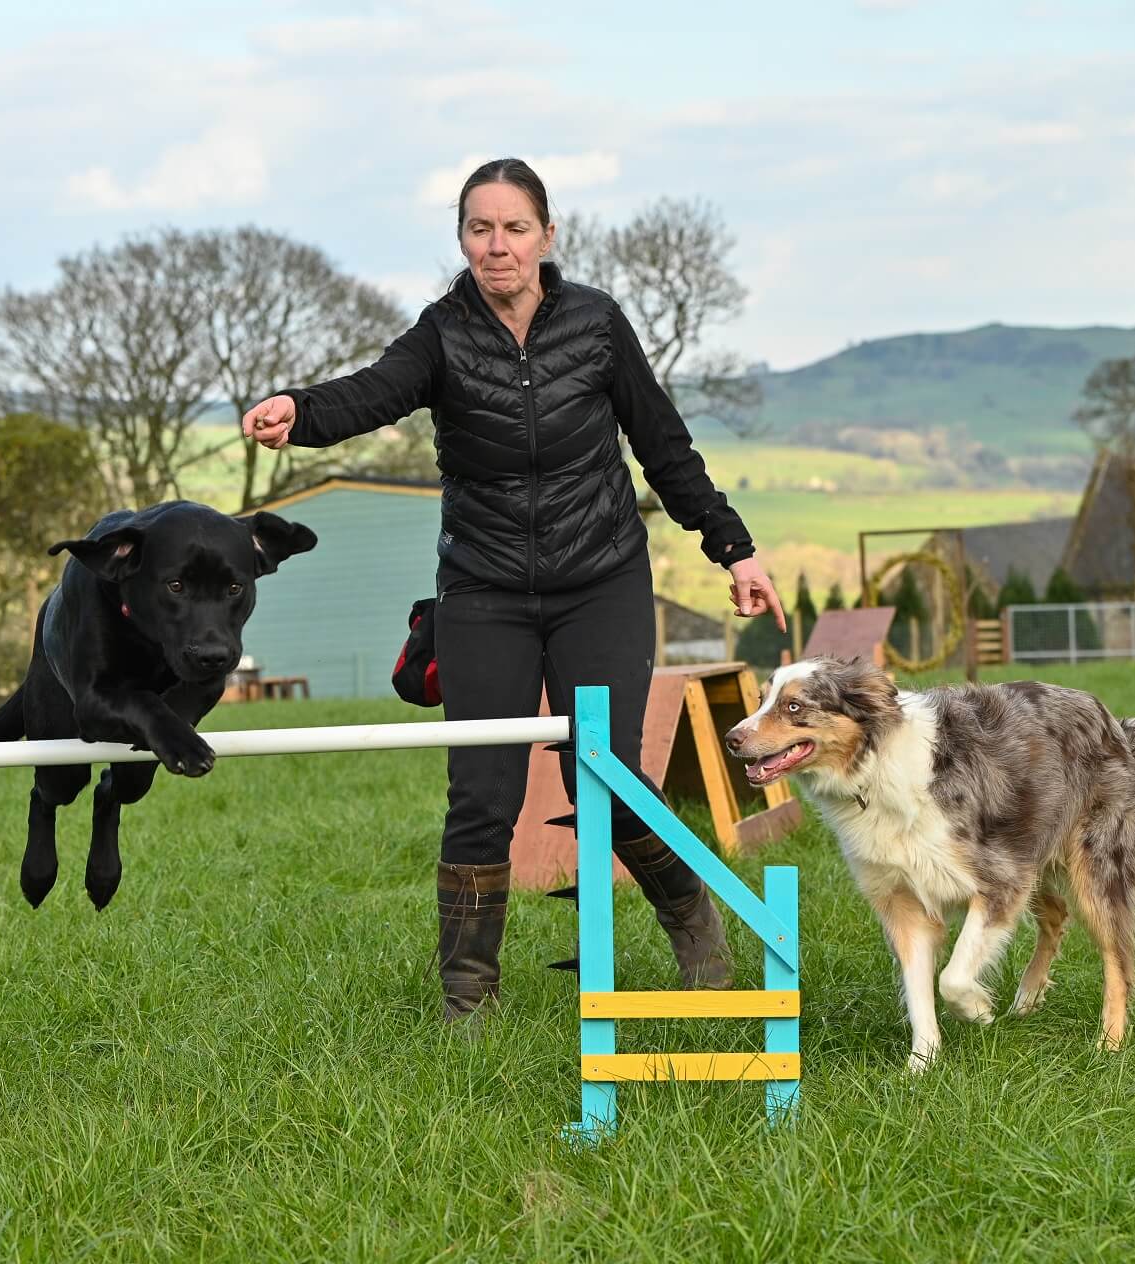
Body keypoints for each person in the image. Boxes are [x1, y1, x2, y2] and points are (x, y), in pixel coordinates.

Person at [241, 157, 784, 1025]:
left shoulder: (597, 323)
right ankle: (469, 999)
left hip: (600, 581)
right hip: (484, 589)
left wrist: (734, 548)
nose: (497, 245)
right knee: (481, 792)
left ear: (546, 235)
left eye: (515, 227)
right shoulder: (442, 333)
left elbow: (663, 445)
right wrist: (298, 411)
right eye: (480, 228)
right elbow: (372, 392)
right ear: (463, 239)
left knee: (606, 772)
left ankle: (696, 931)